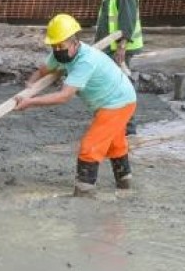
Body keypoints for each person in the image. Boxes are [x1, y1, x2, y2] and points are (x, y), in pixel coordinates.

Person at [14, 14, 137, 197]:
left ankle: (84, 194)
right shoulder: (60, 54)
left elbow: (64, 96)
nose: (57, 50)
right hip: (110, 101)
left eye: (61, 45)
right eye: (54, 46)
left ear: (74, 42)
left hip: (118, 102)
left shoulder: (85, 61)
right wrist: (30, 86)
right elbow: (43, 70)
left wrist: (31, 102)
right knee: (115, 144)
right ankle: (125, 184)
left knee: (90, 147)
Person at [94, 0, 143, 135]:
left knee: (121, 86)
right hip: (111, 47)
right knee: (114, 84)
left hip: (120, 48)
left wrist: (122, 45)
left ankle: (127, 126)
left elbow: (127, 19)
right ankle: (118, 123)